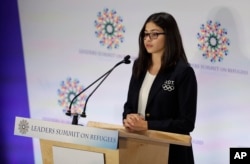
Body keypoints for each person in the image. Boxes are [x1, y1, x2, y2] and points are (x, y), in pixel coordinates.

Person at [122, 12, 197, 164]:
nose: (147, 39)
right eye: (145, 34)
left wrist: (147, 125)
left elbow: (186, 123)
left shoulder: (183, 72)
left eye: (154, 34)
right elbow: (129, 105)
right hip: (138, 149)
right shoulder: (139, 66)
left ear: (169, 36)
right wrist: (129, 117)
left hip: (172, 154)